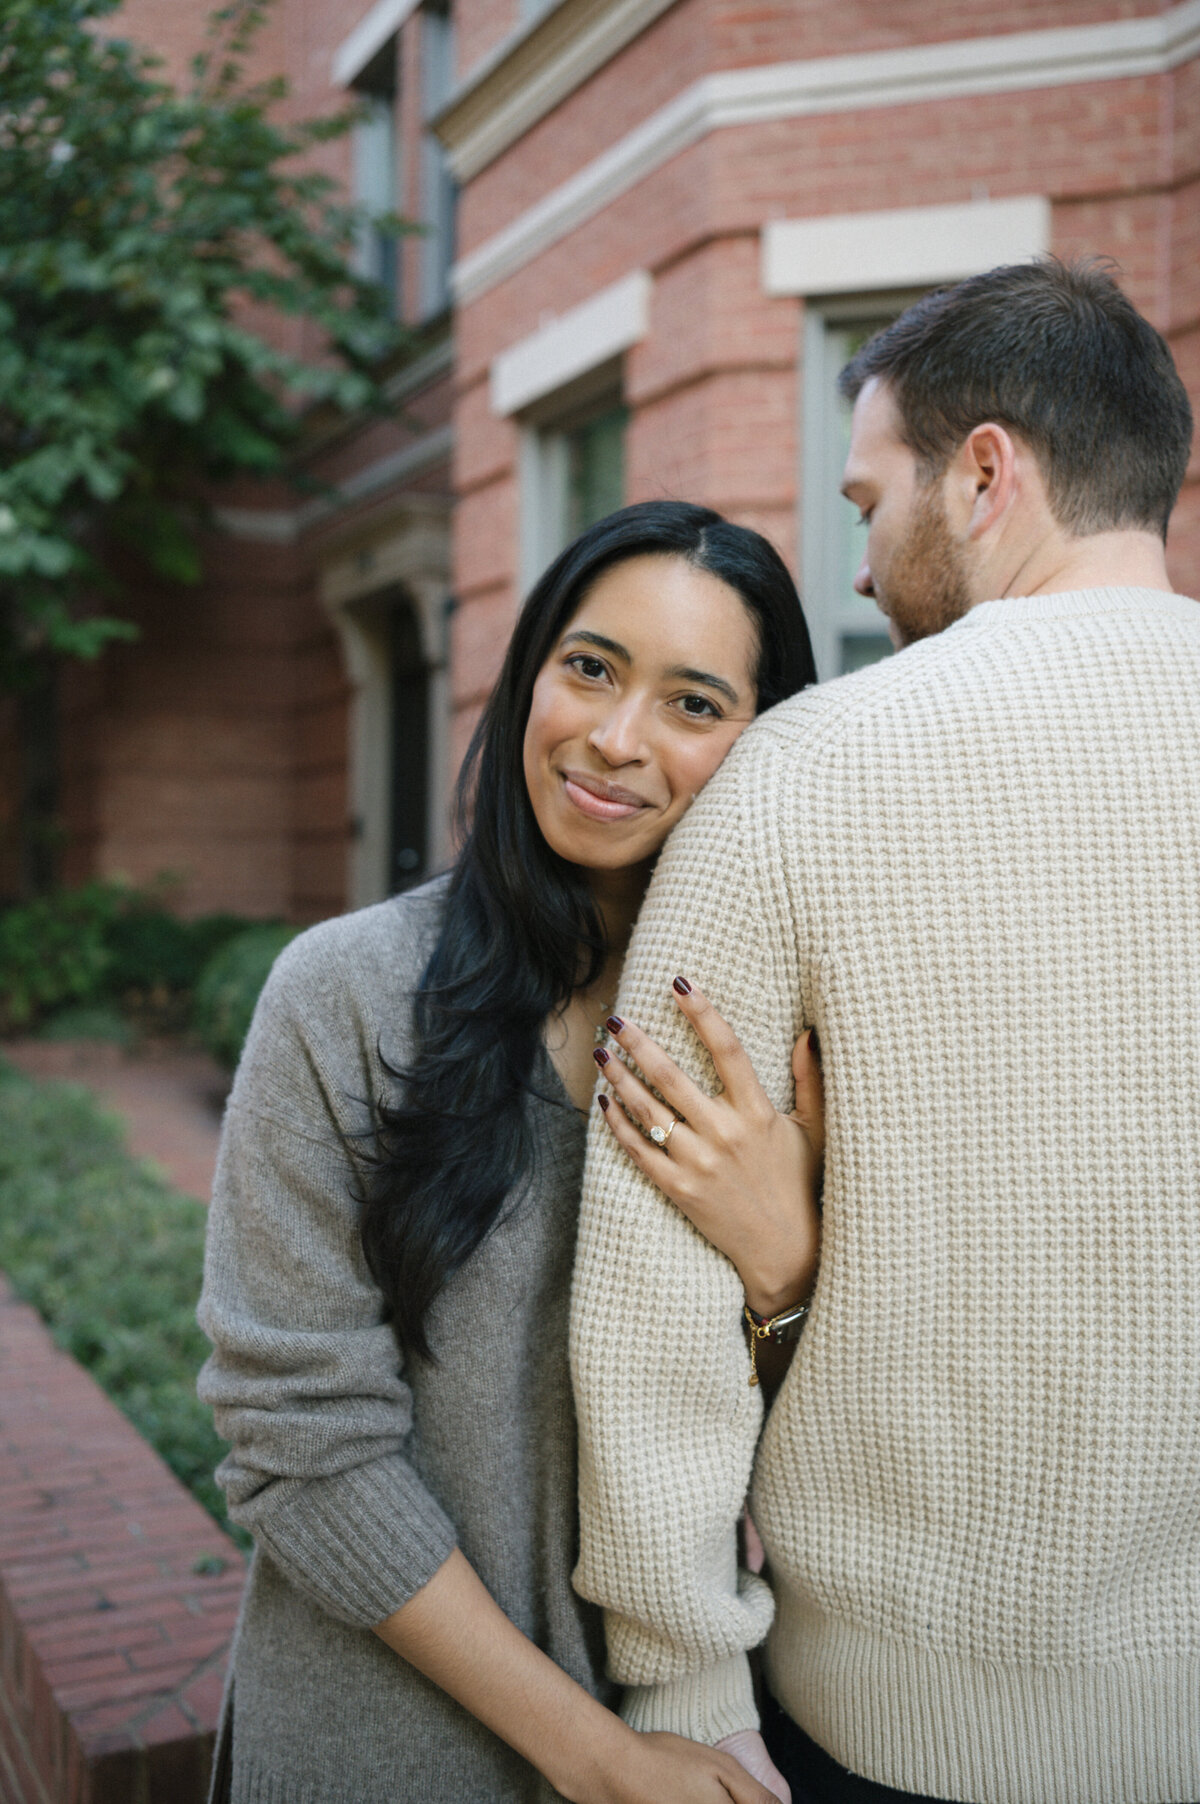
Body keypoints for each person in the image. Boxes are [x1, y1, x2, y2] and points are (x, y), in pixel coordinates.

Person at [570, 259, 1200, 1804]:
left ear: (986, 472)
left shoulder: (800, 771)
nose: (856, 567)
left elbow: (655, 1277)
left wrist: (684, 1684)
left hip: (885, 1729)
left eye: (867, 500)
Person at [197, 499, 825, 1804]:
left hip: (699, 1723)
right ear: (530, 668)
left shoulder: (770, 1048)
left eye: (693, 704)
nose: (613, 738)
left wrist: (786, 1271)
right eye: (591, 668)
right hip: (386, 1746)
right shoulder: (348, 995)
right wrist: (597, 1759)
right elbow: (301, 1450)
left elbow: (830, 1431)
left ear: (762, 745)